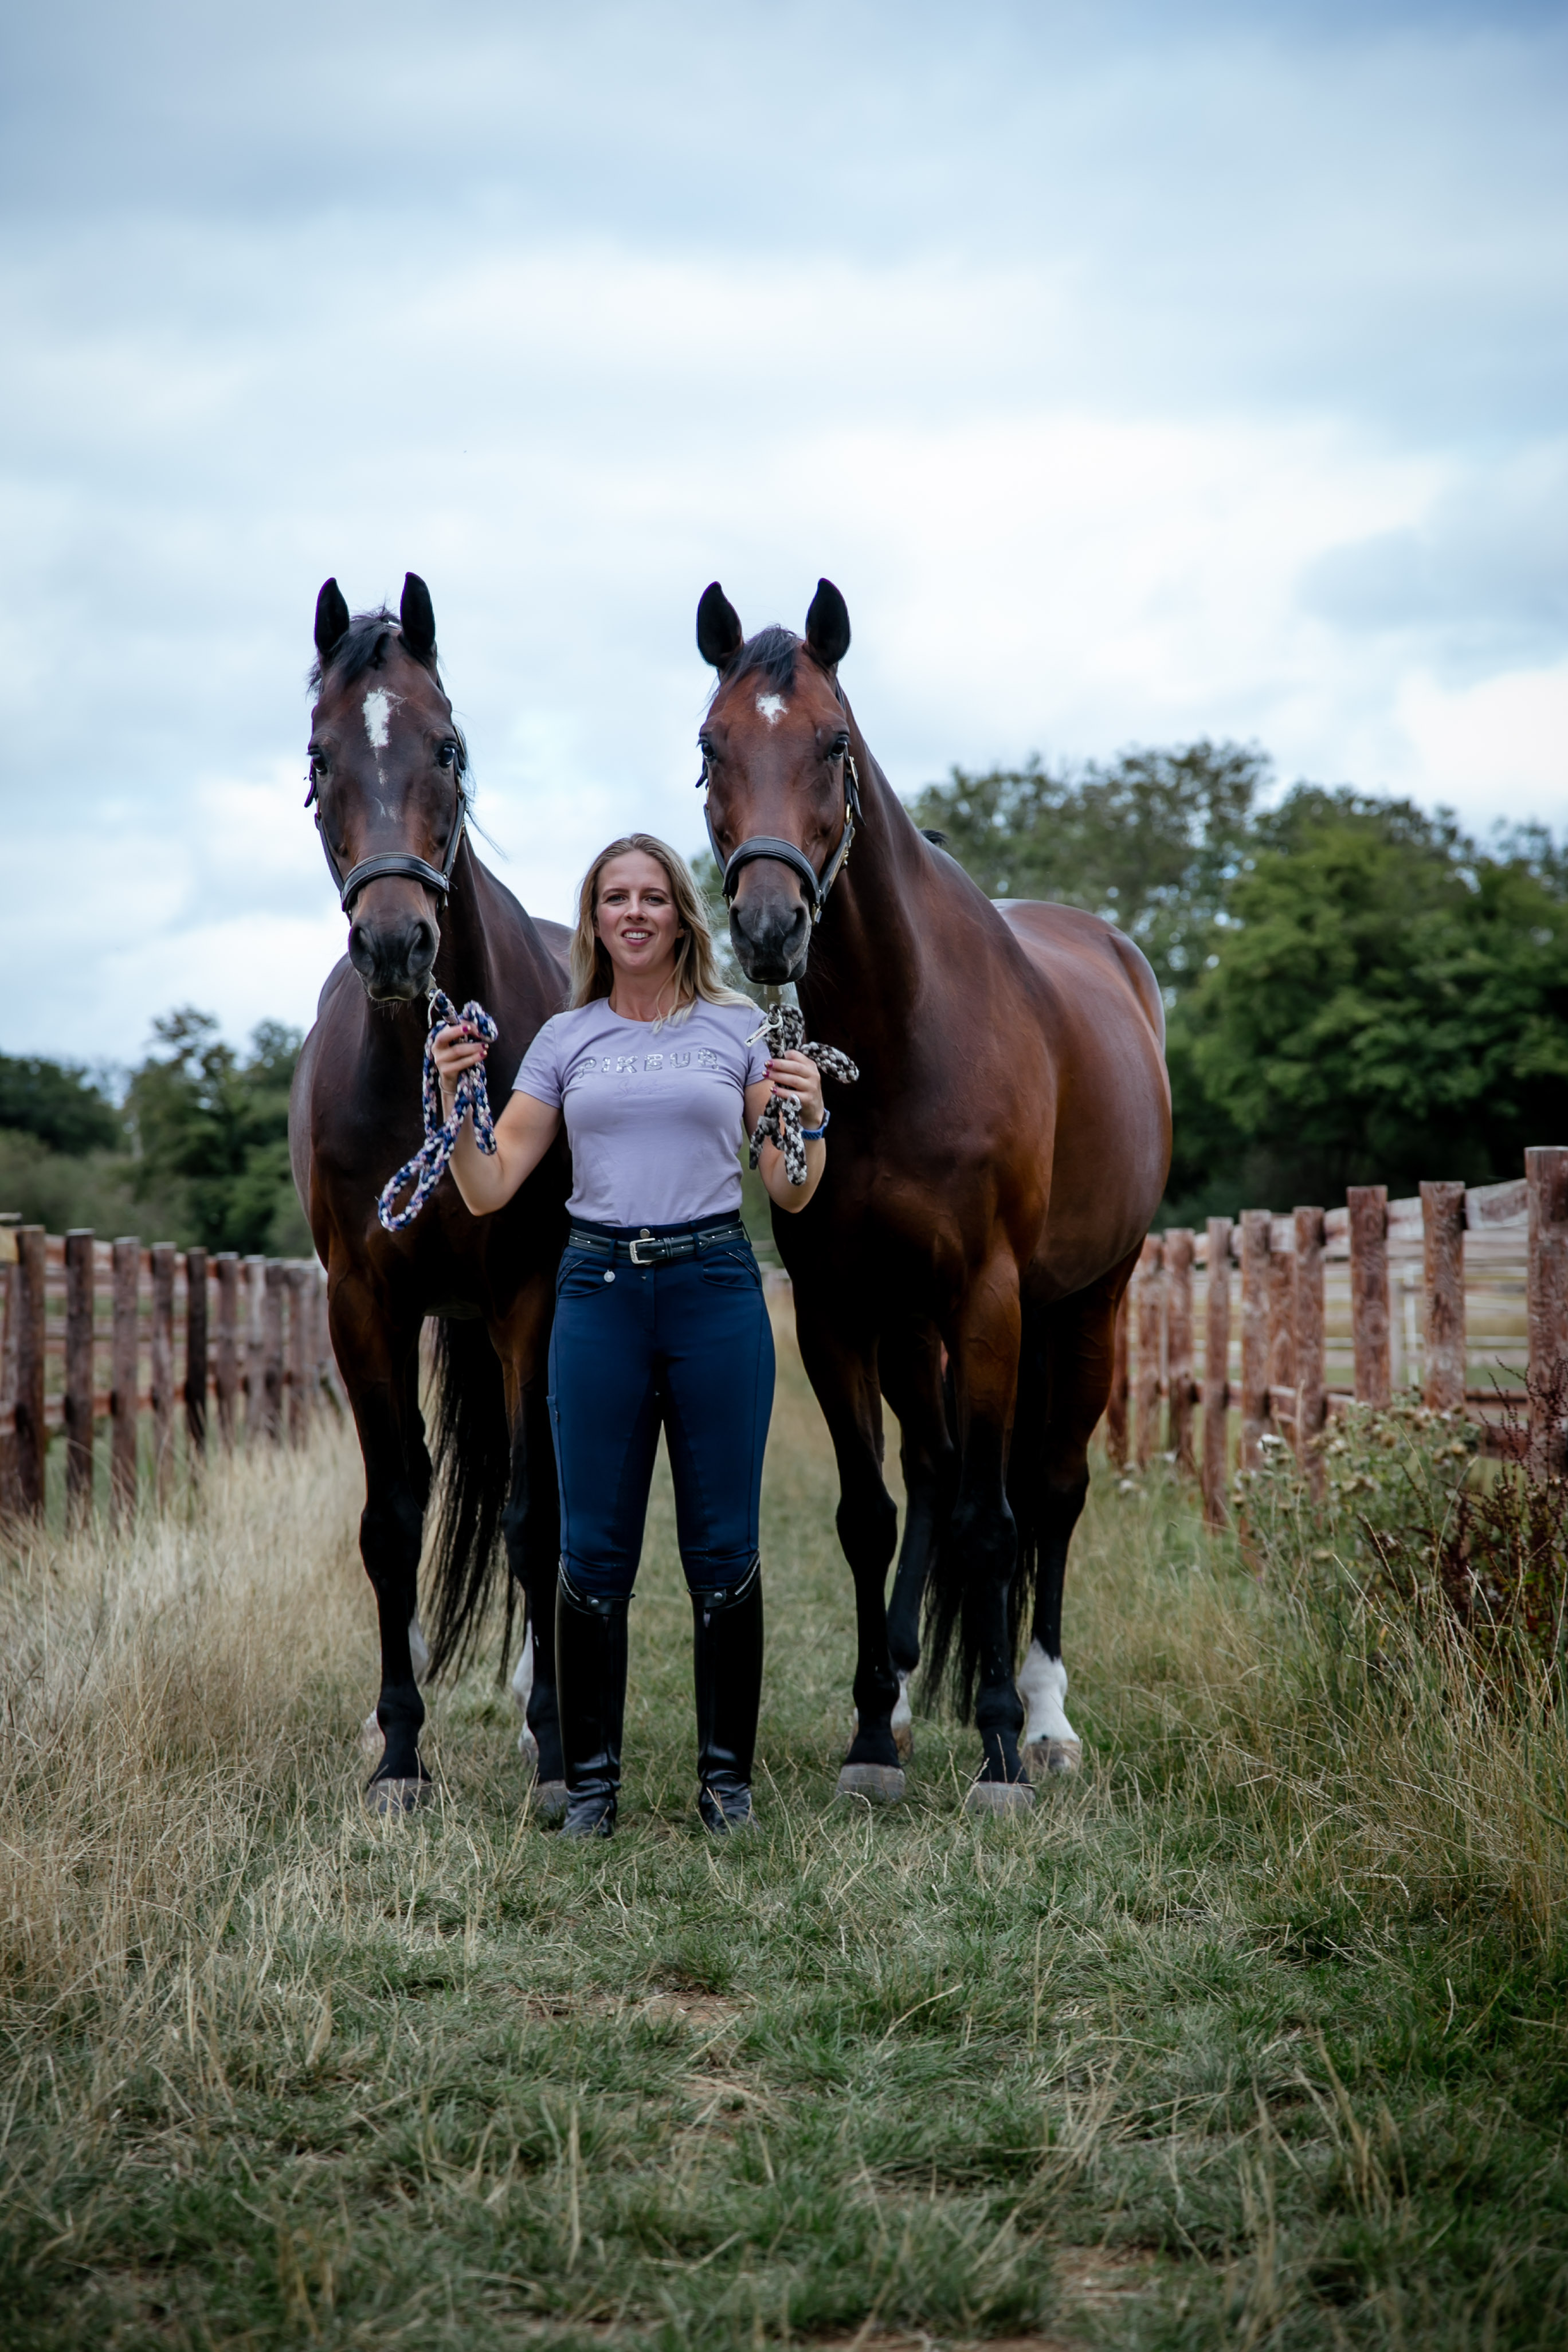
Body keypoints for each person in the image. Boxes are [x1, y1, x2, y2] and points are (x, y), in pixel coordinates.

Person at [432, 833, 829, 1839]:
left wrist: (810, 1119)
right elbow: (488, 1186)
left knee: (725, 1550)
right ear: (596, 919)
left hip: (714, 1287)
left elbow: (789, 1190)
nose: (636, 913)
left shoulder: (739, 1029)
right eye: (616, 898)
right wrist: (456, 1100)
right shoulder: (565, 1040)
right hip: (599, 1293)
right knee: (593, 1553)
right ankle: (593, 1791)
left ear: (682, 916)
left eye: (654, 896)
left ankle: (726, 1790)